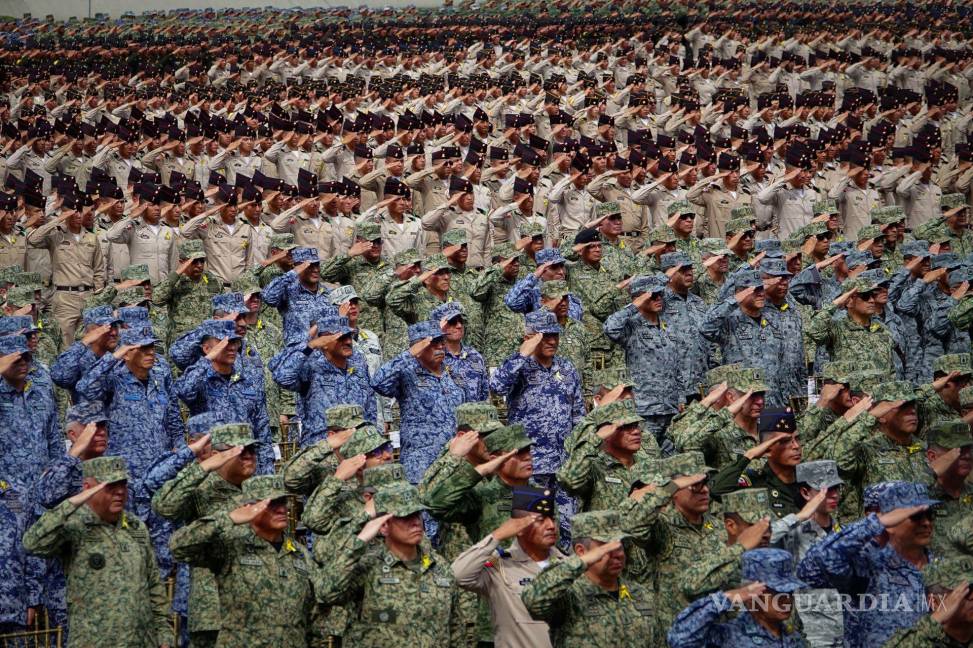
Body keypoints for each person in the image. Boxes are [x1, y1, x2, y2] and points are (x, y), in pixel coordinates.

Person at [23, 456, 172, 648]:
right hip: (94, 641)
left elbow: (153, 584)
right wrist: (72, 503)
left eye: (123, 484)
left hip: (142, 641)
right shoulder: (74, 525)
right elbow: (32, 542)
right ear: (88, 488)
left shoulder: (136, 527)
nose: (119, 491)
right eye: (110, 485)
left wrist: (164, 636)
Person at [169, 475, 315, 648]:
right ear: (248, 507)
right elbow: (178, 547)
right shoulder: (230, 545)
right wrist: (228, 518)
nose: (282, 510)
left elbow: (314, 611)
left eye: (283, 502)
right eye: (271, 503)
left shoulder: (299, 553)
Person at [316, 482, 462, 646]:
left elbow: (456, 628)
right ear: (384, 526)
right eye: (405, 517)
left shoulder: (439, 567)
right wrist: (359, 541)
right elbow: (325, 594)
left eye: (417, 515)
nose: (416, 523)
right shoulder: (368, 566)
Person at [798, 481, 939, 648]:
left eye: (929, 515)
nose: (926, 523)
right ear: (891, 521)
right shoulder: (869, 563)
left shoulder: (941, 566)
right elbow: (819, 561)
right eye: (915, 516)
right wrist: (875, 523)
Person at [520, 510, 656, 648]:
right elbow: (533, 601)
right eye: (606, 546)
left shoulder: (640, 594)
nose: (618, 554)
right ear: (581, 551)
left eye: (620, 545)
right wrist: (582, 562)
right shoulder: (570, 596)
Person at [450, 486, 565, 648]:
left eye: (552, 518)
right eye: (540, 520)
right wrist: (497, 535)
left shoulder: (568, 564)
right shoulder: (500, 567)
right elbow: (458, 574)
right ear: (519, 528)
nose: (551, 525)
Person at [372, 320, 464, 484]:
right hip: (421, 464)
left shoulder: (452, 372)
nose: (440, 347)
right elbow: (378, 383)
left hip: (453, 462)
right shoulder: (407, 373)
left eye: (441, 342)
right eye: (433, 343)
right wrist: (409, 354)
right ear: (418, 348)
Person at [667, 548, 809, 648]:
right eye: (776, 593)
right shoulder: (728, 635)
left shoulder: (793, 636)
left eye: (789, 592)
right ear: (752, 594)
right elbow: (680, 639)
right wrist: (727, 597)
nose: (786, 599)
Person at [270, 314, 376, 447]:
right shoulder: (311, 367)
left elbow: (371, 408)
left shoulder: (359, 366)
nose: (348, 342)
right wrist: (310, 345)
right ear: (324, 343)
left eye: (349, 336)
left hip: (356, 450)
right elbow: (282, 377)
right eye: (341, 338)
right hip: (322, 452)